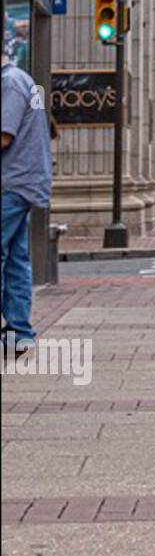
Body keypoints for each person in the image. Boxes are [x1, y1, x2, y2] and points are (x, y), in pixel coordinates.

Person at [1, 55, 53, 358]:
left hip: (11, 183)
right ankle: (20, 332)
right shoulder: (22, 80)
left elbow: (4, 137)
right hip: (22, 184)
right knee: (16, 258)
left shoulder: (9, 83)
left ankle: (19, 331)